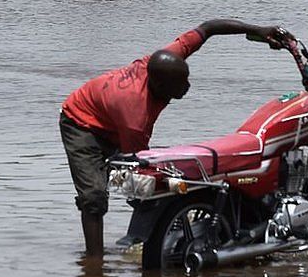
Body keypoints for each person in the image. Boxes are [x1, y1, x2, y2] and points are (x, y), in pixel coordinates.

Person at [59, 19, 289, 257]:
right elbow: (140, 169)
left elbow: (209, 28)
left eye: (186, 79)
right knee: (96, 198)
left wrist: (259, 31)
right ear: (159, 85)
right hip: (80, 123)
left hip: (109, 116)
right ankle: (95, 265)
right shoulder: (135, 113)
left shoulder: (167, 59)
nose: (187, 87)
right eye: (180, 85)